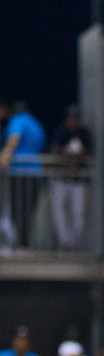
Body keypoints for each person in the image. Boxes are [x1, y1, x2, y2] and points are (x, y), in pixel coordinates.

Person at [0, 100, 46, 249]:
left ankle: (21, 244)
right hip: (36, 173)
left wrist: (6, 154)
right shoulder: (36, 124)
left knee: (17, 210)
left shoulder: (18, 120)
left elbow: (15, 136)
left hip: (20, 173)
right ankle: (26, 243)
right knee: (28, 211)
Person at [48, 105, 92, 251]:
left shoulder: (84, 133)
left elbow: (90, 153)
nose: (73, 121)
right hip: (62, 178)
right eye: (71, 118)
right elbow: (55, 150)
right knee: (61, 211)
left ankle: (75, 243)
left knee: (78, 213)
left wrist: (76, 157)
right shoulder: (61, 132)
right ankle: (64, 242)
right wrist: (68, 156)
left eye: (76, 118)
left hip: (79, 180)